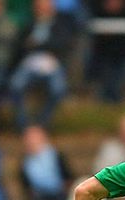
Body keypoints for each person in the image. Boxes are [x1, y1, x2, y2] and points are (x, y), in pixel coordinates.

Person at [7, 0, 77, 130]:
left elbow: (63, 44)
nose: (42, 10)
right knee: (15, 85)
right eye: (39, 7)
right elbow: (19, 46)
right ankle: (23, 123)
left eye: (45, 7)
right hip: (30, 62)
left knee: (58, 89)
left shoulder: (60, 24)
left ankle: (42, 123)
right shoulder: (29, 24)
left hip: (52, 62)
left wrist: (38, 44)